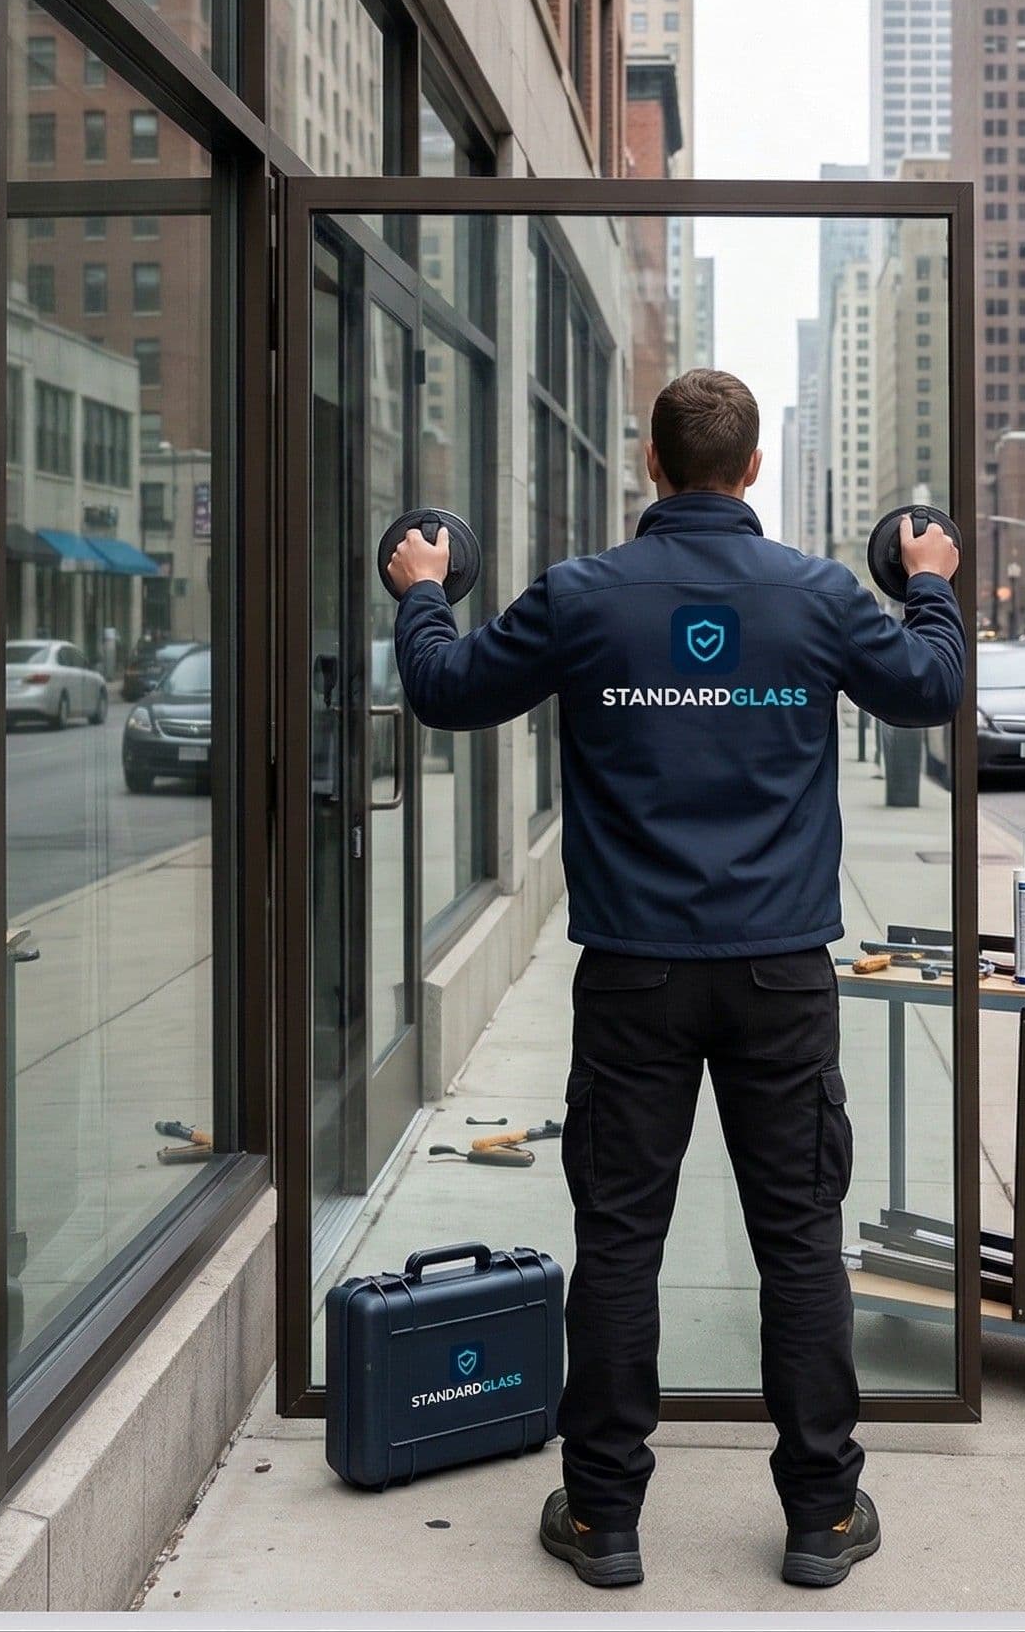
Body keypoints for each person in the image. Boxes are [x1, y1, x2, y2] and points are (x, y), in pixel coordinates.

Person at [386, 368, 963, 1591]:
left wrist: (425, 592)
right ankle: (821, 1516)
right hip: (779, 981)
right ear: (750, 470)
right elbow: (930, 684)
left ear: (652, 463)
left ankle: (605, 1518)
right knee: (801, 1241)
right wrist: (930, 576)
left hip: (636, 977)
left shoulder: (588, 596)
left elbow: (445, 689)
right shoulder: (813, 596)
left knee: (622, 1242)